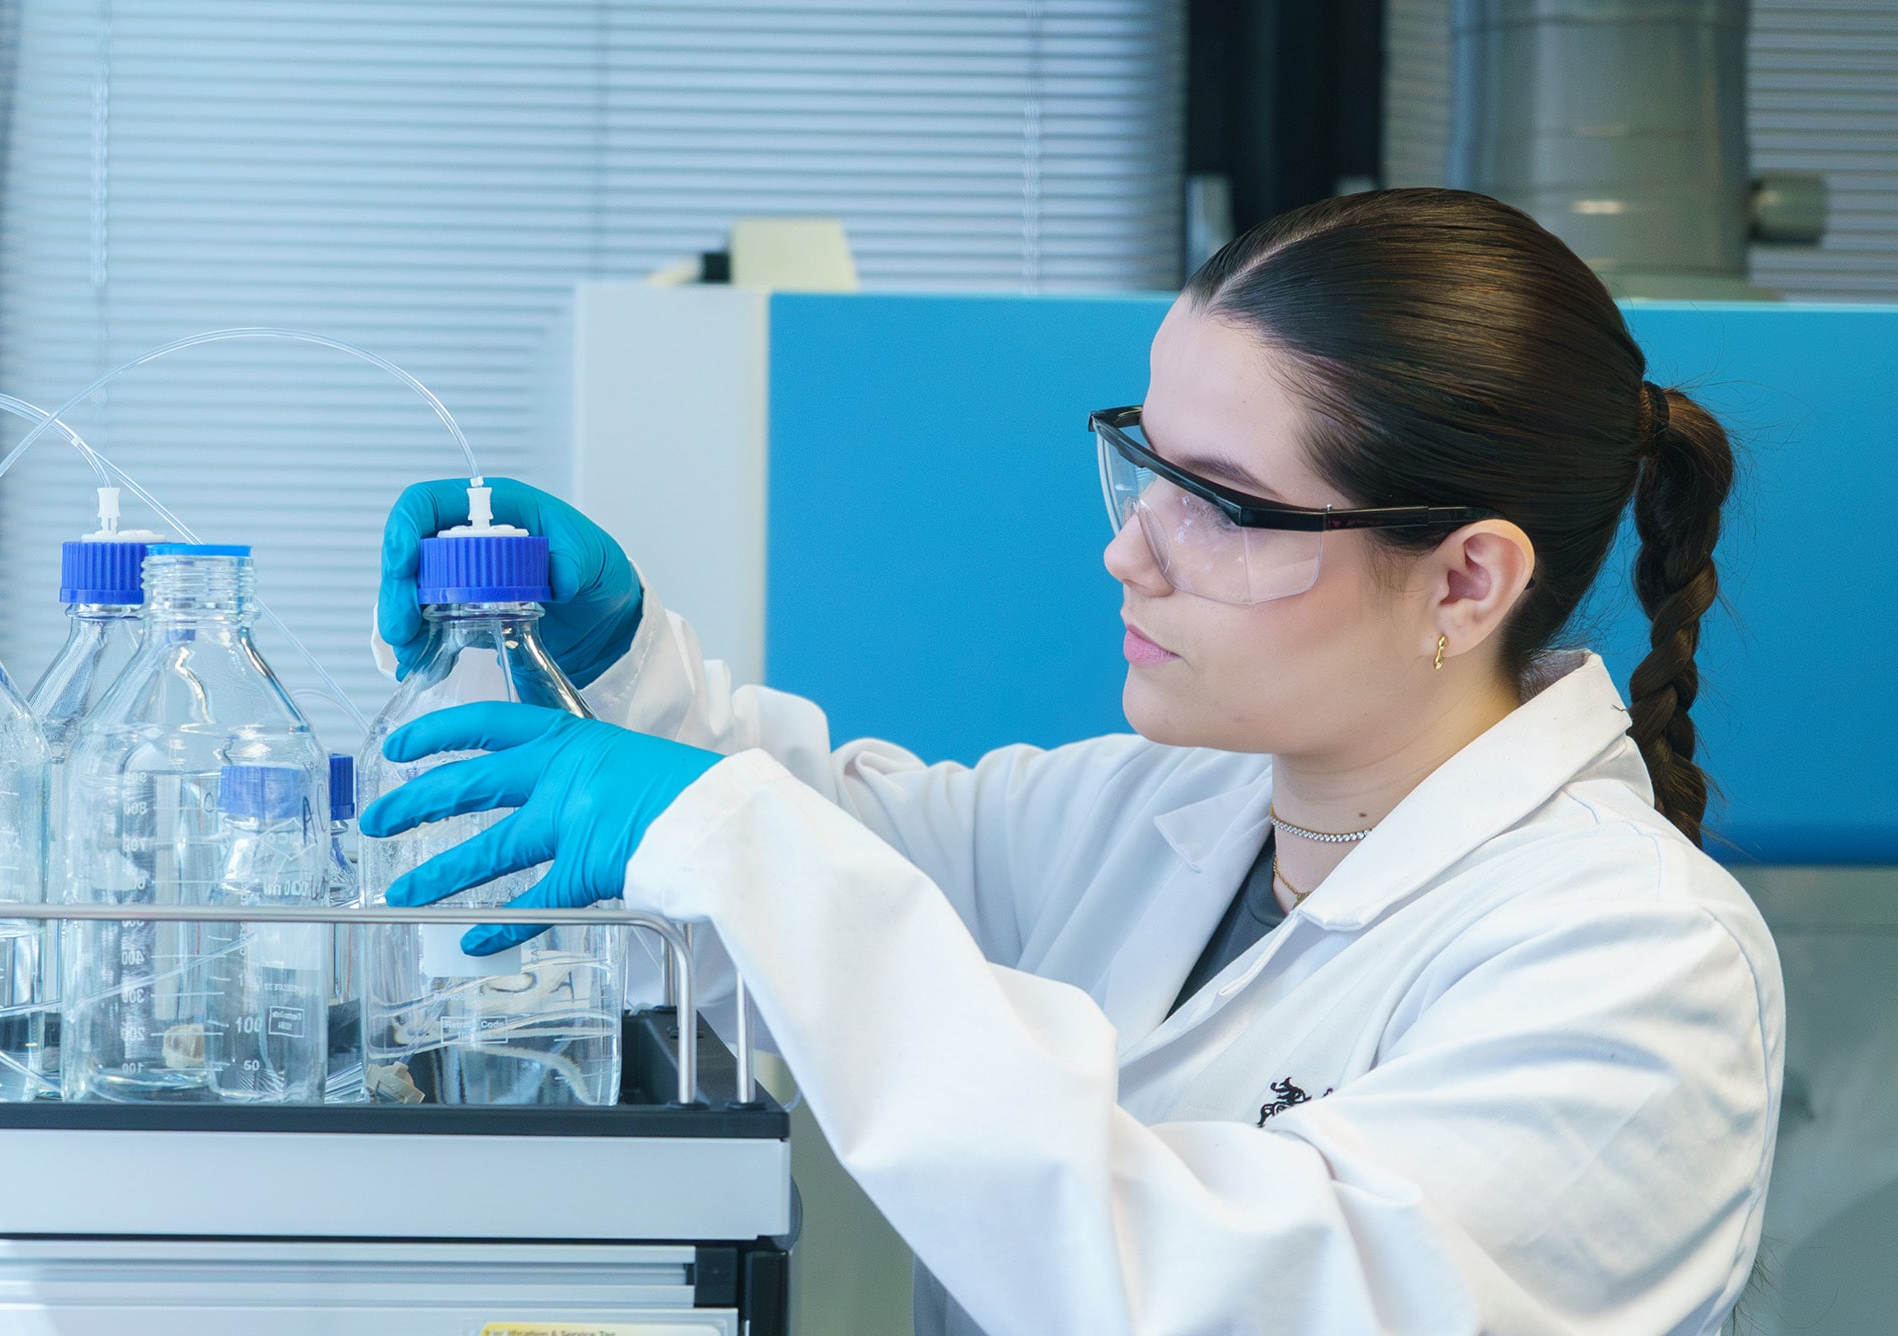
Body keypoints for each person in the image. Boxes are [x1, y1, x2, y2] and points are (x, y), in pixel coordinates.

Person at [363, 189, 1782, 1335]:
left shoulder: (1633, 964)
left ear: (1465, 584)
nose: (1130, 549)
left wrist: (729, 841)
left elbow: (1221, 1298)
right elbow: (848, 865)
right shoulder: (1170, 805)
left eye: (1221, 506)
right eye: (1141, 461)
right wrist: (626, 674)